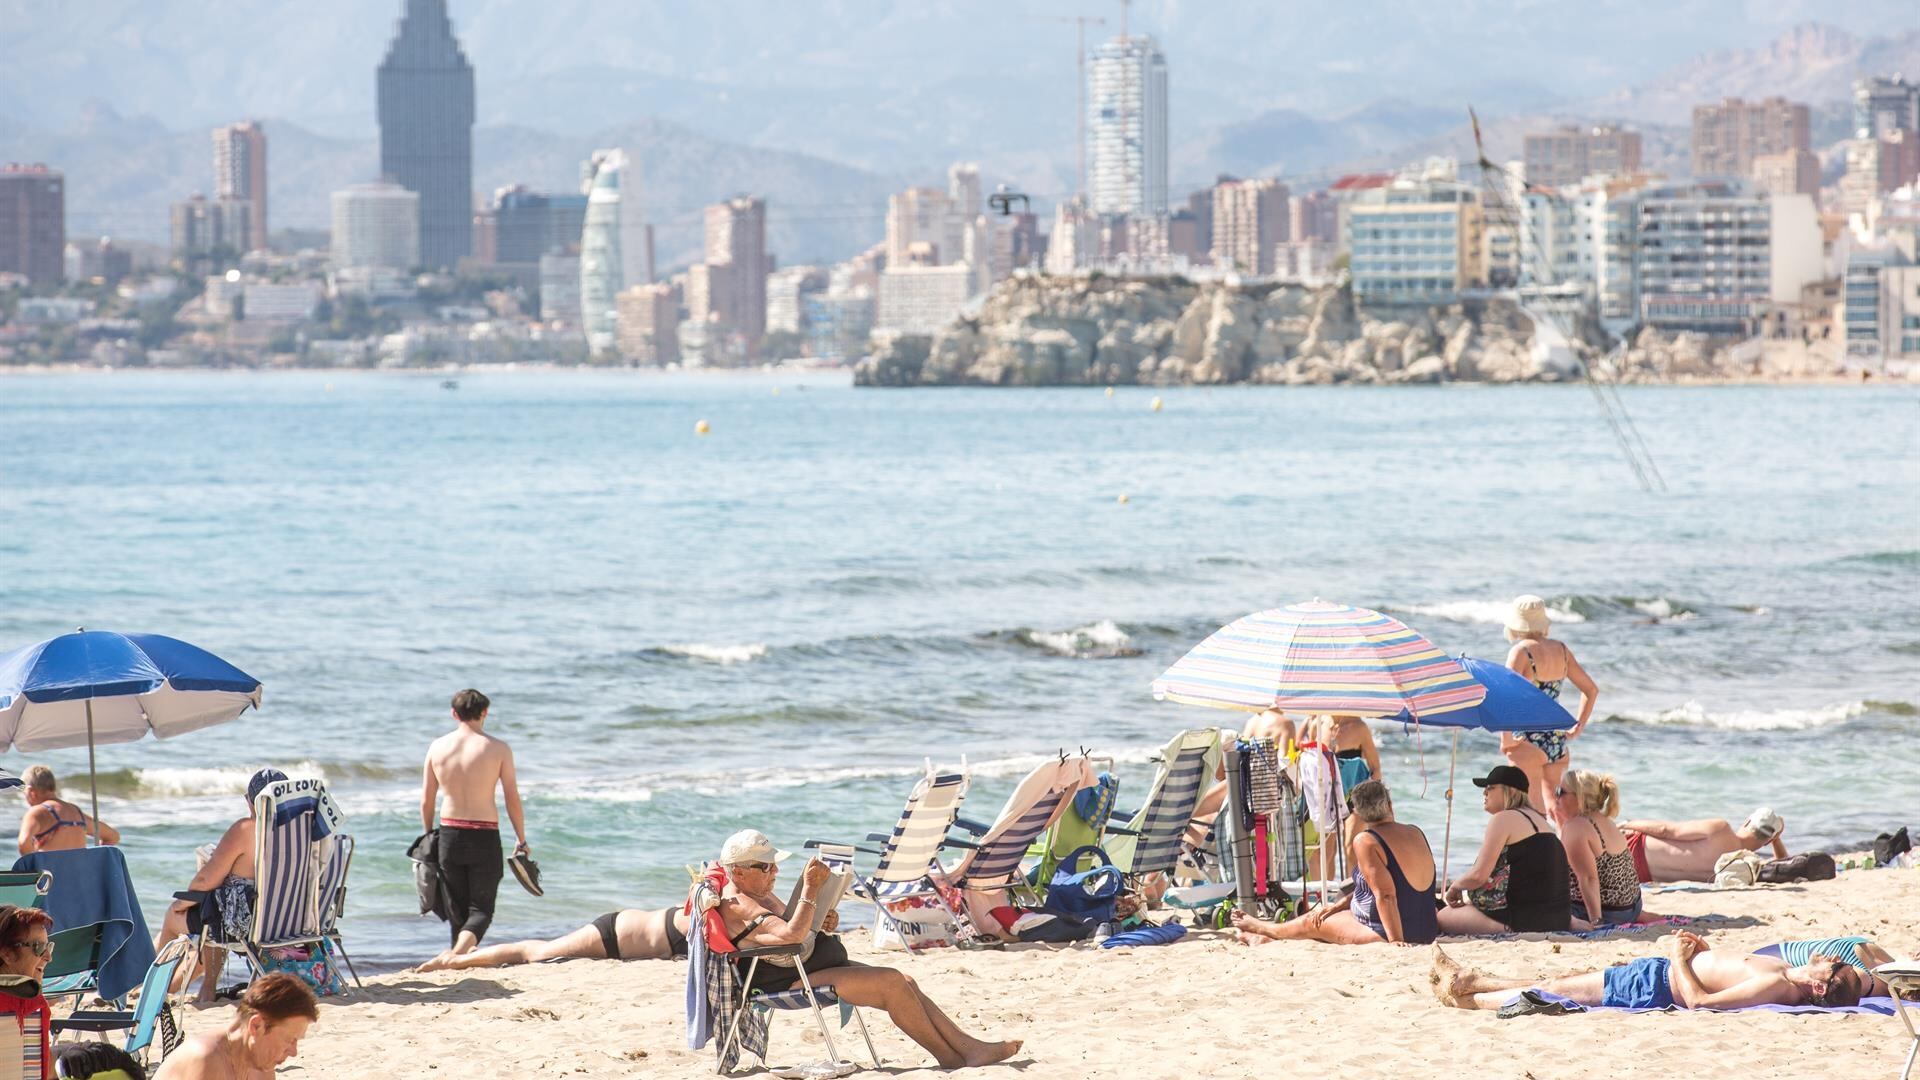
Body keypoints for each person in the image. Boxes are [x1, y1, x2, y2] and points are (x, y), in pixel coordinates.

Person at [714, 829, 1020, 1070]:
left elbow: (795, 926)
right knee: (892, 984)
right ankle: (950, 1059)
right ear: (738, 872)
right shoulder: (739, 904)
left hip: (803, 965)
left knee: (906, 981)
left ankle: (970, 1048)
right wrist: (810, 888)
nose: (775, 872)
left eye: (774, 864)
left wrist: (821, 917)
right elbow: (791, 933)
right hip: (786, 980)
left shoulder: (759, 893)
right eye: (766, 866)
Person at [1432, 930, 1866, 1011]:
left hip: (1656, 983)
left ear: (1818, 982)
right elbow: (1723, 975)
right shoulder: (1786, 973)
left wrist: (1679, 958)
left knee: (1556, 990)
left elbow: (1701, 1002)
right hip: (1660, 972)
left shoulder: (1777, 985)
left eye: (1834, 964)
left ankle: (1468, 998)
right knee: (1558, 983)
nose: (1830, 956)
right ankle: (1470, 983)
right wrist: (1703, 952)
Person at [1231, 779, 1438, 946]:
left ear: (1357, 813)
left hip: (1389, 932)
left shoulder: (1366, 840)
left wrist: (1396, 942)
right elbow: (1390, 888)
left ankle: (1263, 928)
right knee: (1324, 914)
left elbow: (1386, 895)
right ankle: (1267, 939)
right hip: (1426, 930)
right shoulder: (1415, 832)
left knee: (1311, 921)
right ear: (1390, 805)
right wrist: (1337, 906)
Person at [154, 768, 284, 1000]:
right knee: (212, 912)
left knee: (177, 917)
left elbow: (205, 879)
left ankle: (153, 988)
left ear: (251, 801)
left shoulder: (247, 829)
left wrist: (180, 903)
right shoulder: (304, 833)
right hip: (290, 921)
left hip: (247, 925)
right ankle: (191, 989)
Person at [419, 689, 527, 964]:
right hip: (484, 833)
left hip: (448, 833)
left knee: (457, 908)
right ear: (485, 712)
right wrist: (521, 837)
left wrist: (428, 834)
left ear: (454, 714)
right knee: (481, 910)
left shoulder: (437, 747)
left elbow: (426, 800)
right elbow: (511, 797)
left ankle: (457, 957)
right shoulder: (498, 748)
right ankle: (455, 958)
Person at [1436, 765, 1570, 934]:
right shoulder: (1541, 820)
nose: (1484, 793)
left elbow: (1478, 875)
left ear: (1511, 792)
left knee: (1443, 917)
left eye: (1490, 788)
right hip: (1559, 918)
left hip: (1524, 923)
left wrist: (1455, 886)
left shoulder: (1503, 819)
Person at [1500, 595, 1598, 818]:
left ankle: (1540, 853)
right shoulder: (1561, 650)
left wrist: (1505, 738)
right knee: (1558, 812)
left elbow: (1506, 697)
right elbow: (1591, 690)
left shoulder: (1521, 652)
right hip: (1556, 739)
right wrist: (1578, 726)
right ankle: (1567, 850)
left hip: (1527, 738)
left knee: (1530, 812)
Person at [414, 904, 692, 971]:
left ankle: (466, 955)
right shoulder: (709, 910)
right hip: (612, 936)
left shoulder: (711, 904)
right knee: (533, 953)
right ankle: (454, 960)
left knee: (538, 951)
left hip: (620, 936)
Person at [152, 972, 317, 1080]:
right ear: (257, 1026)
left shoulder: (261, 1066)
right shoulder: (206, 1059)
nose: (294, 1052)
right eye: (290, 1039)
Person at [1554, 770, 1645, 927]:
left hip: (1609, 913)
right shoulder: (1605, 820)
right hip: (1632, 908)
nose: (1556, 797)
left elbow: (1589, 879)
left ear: (1579, 797)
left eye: (1560, 792)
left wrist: (1596, 922)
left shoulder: (1576, 827)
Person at [1614, 808, 1787, 883]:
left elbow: (1666, 830)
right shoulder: (1744, 865)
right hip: (1636, 875)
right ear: (1769, 841)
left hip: (1630, 846)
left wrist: (1627, 823)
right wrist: (1777, 840)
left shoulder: (1721, 829)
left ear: (1747, 821)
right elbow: (1783, 863)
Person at [0, 905, 55, 1079]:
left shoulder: (33, 1001)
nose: (48, 957)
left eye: (49, 947)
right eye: (38, 947)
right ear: (7, 954)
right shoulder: (32, 1003)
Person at [16, 765, 118, 854]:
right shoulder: (76, 812)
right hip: (80, 875)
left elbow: (23, 843)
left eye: (24, 793)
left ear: (31, 792)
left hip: (51, 874)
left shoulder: (36, 813)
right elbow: (113, 836)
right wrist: (96, 860)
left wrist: (35, 863)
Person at [1755, 935, 1903, 997]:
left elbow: (1839, 990)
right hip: (1780, 953)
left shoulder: (1867, 978)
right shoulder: (1885, 963)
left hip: (1778, 960)